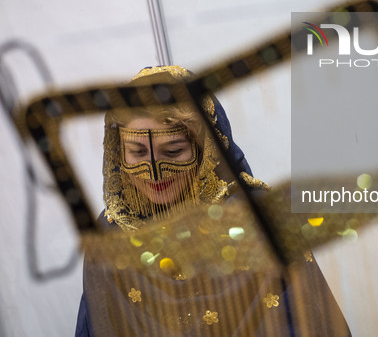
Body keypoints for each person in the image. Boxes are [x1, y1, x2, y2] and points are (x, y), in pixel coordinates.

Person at [75, 65, 349, 336]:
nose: (154, 171)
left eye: (172, 151)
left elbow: (310, 321)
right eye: (137, 152)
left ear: (206, 149)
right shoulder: (111, 233)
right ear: (117, 153)